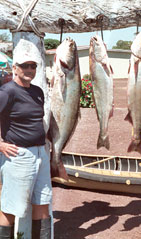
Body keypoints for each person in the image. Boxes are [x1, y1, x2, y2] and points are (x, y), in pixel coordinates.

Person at [0, 44, 52, 238]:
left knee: (42, 203)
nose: (29, 70)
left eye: (33, 65)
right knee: (11, 208)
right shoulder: (7, 91)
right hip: (18, 156)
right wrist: (0, 144)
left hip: (41, 154)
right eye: (24, 66)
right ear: (15, 68)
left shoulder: (37, 91)